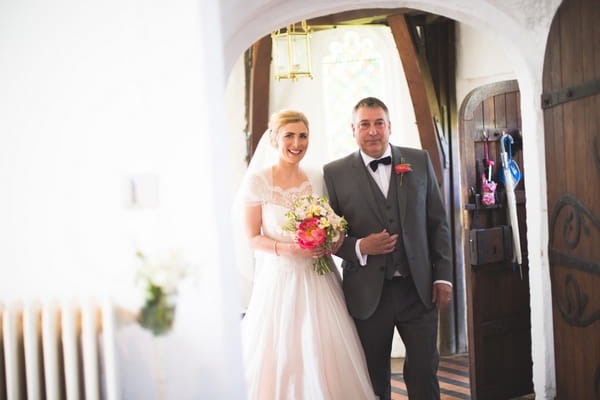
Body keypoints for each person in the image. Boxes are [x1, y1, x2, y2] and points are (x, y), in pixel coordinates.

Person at [237, 109, 376, 400]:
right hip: (279, 280)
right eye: (289, 135)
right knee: (281, 353)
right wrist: (289, 249)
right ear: (274, 139)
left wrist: (330, 239)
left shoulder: (317, 177)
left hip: (319, 279)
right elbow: (251, 237)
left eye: (303, 136)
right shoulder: (258, 181)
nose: (297, 143)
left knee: (324, 348)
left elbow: (334, 223)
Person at [323, 97, 453, 400]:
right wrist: (360, 246)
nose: (372, 131)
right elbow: (328, 236)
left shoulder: (418, 161)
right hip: (367, 294)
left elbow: (438, 224)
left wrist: (443, 277)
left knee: (424, 370)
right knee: (373, 376)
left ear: (389, 127)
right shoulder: (334, 173)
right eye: (365, 124)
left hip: (418, 289)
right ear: (353, 129)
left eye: (379, 123)